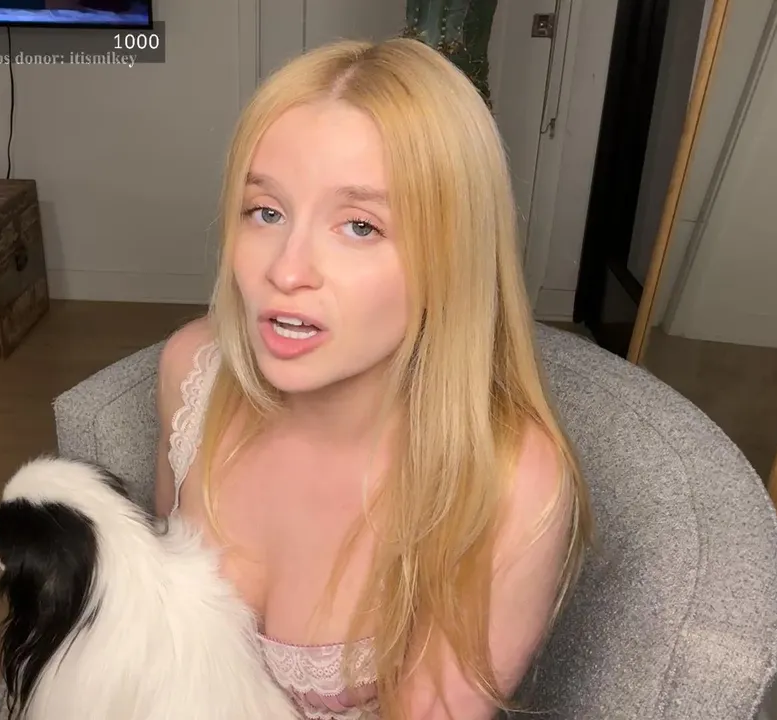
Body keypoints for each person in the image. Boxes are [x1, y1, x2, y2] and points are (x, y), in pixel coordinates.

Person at [154, 37, 594, 720]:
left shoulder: (509, 481)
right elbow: (149, 627)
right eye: (266, 211)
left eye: (360, 226)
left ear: (452, 257)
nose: (286, 270)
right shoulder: (192, 372)